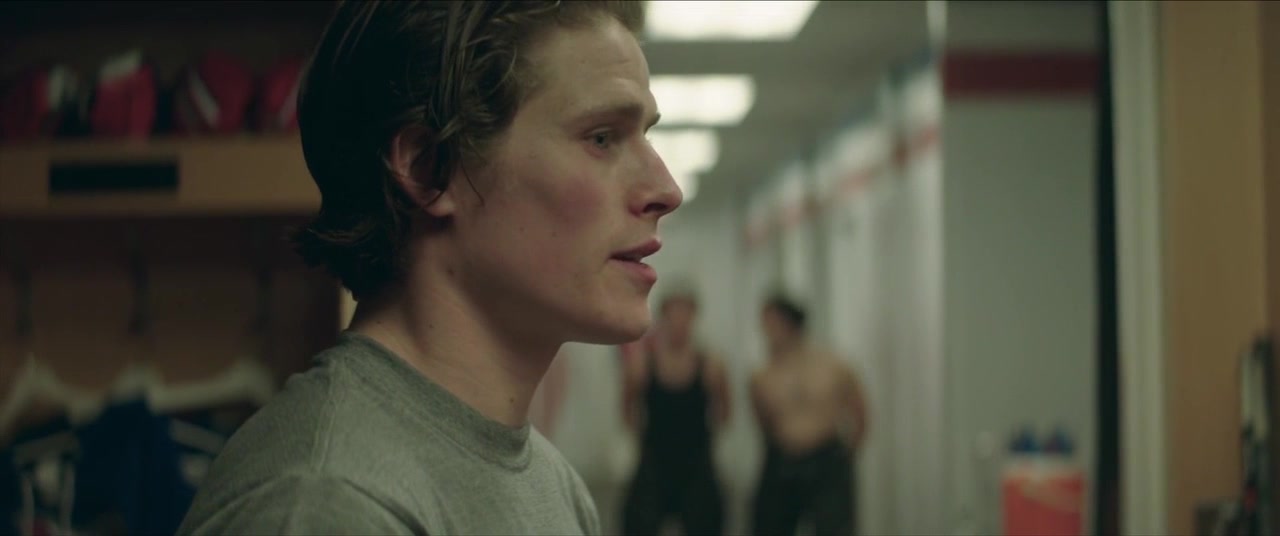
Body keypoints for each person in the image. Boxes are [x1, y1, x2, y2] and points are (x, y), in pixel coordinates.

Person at [178, 1, 681, 534]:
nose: (666, 190)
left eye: (646, 135)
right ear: (429, 168)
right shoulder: (329, 504)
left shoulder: (554, 486)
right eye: (602, 138)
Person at [750, 294, 868, 536]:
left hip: (827, 460)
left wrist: (844, 456)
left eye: (771, 323)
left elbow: (860, 412)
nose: (766, 331)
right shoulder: (761, 376)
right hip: (782, 462)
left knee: (834, 527)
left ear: (790, 323)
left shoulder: (833, 365)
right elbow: (764, 423)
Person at [620, 287, 731, 536]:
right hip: (655, 459)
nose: (679, 320)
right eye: (673, 313)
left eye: (685, 313)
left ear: (694, 316)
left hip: (696, 461)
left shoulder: (711, 365)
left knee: (708, 522)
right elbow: (627, 409)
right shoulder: (642, 364)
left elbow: (725, 411)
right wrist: (641, 438)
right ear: (663, 317)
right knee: (637, 523)